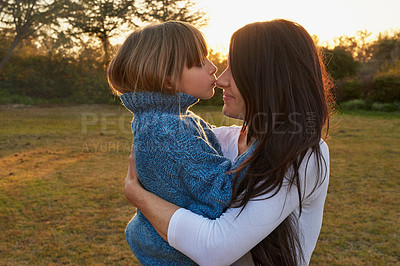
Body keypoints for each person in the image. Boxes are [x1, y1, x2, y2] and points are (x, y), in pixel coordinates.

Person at [124, 19, 334, 265]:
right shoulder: (215, 139)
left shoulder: (302, 154)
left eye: (235, 70)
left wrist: (138, 196)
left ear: (268, 78)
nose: (221, 79)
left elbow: (215, 249)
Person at [107, 21, 257, 265]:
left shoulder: (166, 117)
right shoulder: (167, 129)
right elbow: (221, 193)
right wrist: (246, 155)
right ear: (167, 80)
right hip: (180, 256)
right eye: (200, 63)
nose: (213, 68)